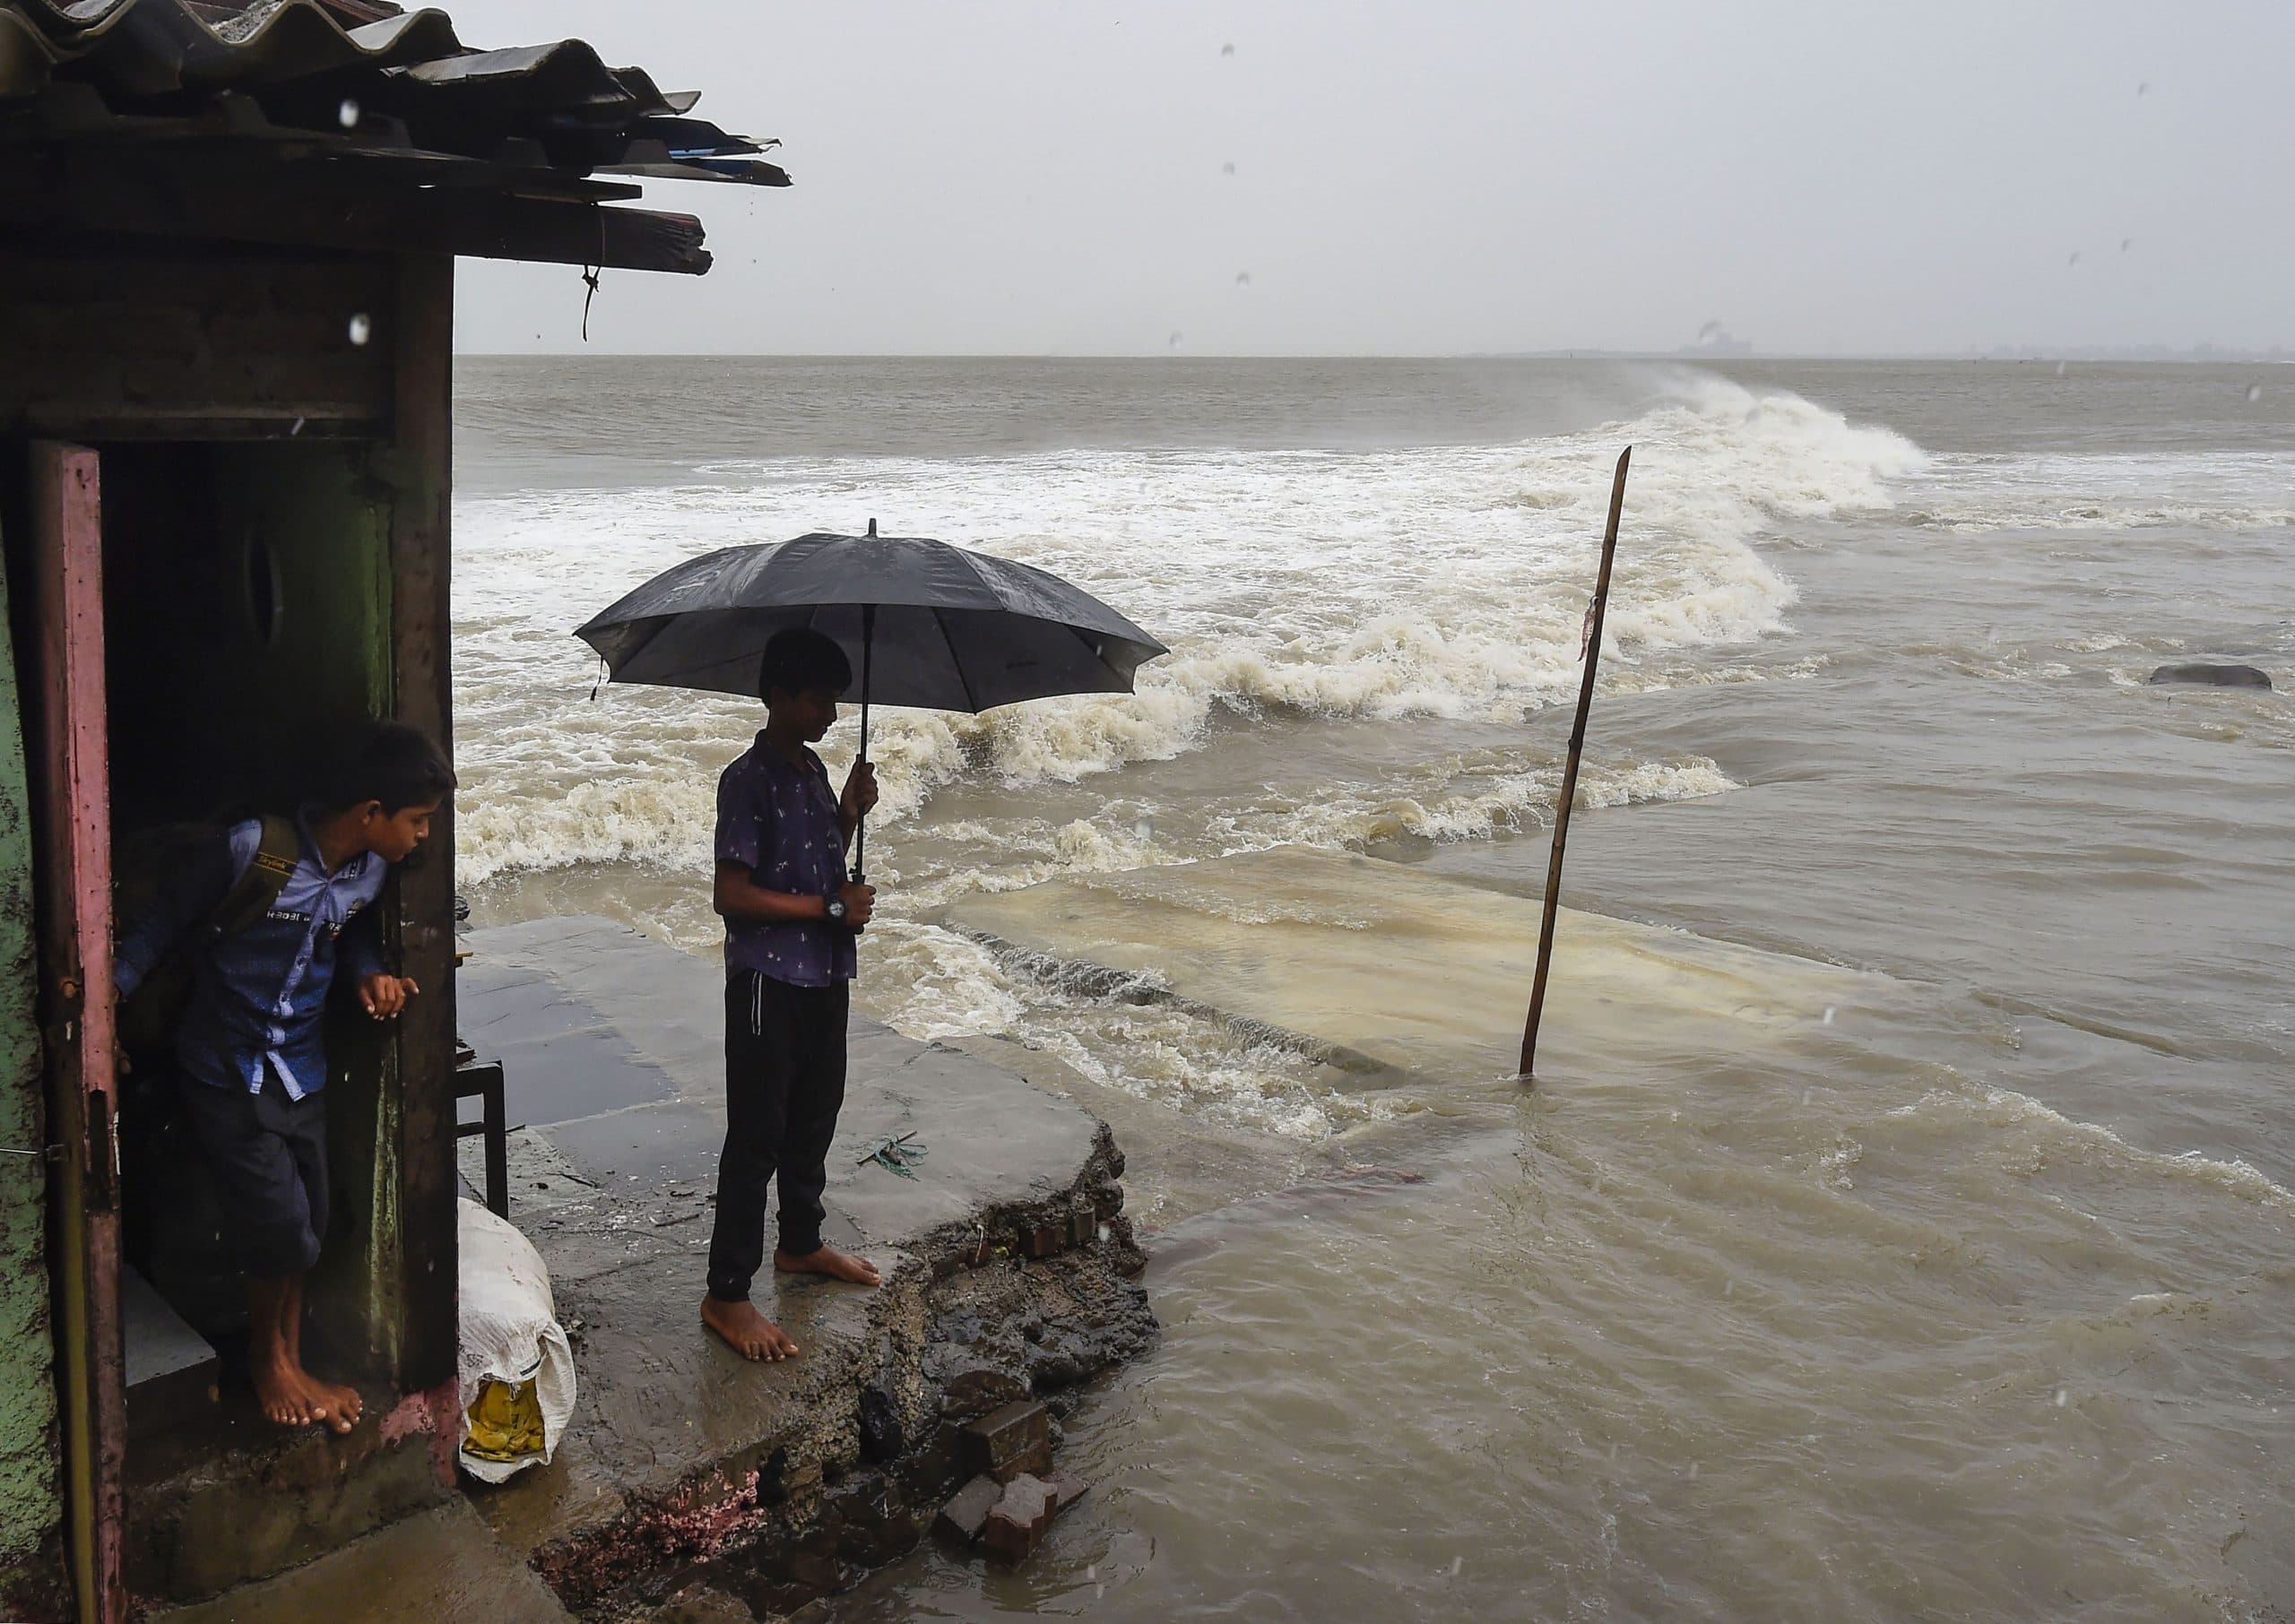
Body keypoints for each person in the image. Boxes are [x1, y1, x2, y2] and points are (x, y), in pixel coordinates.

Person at [113, 721, 453, 1432]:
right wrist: (105, 1018)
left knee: (313, 1221)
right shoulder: (253, 851)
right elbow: (158, 926)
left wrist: (370, 977)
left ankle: (292, 1359)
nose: (423, 837)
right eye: (417, 822)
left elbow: (352, 930)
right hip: (226, 1066)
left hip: (302, 1068)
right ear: (369, 814)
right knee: (280, 1228)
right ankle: (270, 1367)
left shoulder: (370, 871)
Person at [702, 626, 883, 1362]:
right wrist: (829, 910)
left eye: (836, 700)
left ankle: (800, 1245)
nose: (833, 715)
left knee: (815, 1116)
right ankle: (727, 1293)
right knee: (757, 1135)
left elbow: (812, 861)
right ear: (777, 697)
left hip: (823, 976)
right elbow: (731, 893)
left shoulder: (809, 769)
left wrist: (846, 813)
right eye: (819, 700)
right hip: (767, 983)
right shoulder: (746, 778)